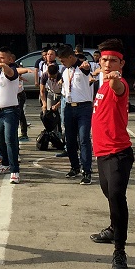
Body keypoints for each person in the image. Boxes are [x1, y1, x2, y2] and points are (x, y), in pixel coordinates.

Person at [88, 40, 135, 269]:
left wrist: (115, 79)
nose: (107, 64)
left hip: (119, 153)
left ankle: (119, 250)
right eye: (104, 59)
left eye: (112, 60)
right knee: (109, 194)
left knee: (117, 196)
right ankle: (113, 228)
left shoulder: (118, 83)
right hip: (102, 153)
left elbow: (119, 88)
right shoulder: (101, 84)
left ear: (121, 63)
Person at [57, 45, 95, 184]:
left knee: (84, 139)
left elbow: (86, 68)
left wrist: (85, 66)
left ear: (71, 57)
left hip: (83, 108)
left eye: (63, 60)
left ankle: (87, 171)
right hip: (68, 107)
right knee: (70, 140)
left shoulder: (82, 66)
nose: (61, 63)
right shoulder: (65, 70)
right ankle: (75, 167)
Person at [0, 46, 30, 184]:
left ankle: (15, 170)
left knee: (10, 141)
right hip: (0, 111)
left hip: (10, 111)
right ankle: (5, 163)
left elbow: (10, 71)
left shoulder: (12, 71)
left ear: (10, 59)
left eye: (2, 58)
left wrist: (4, 66)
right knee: (1, 139)